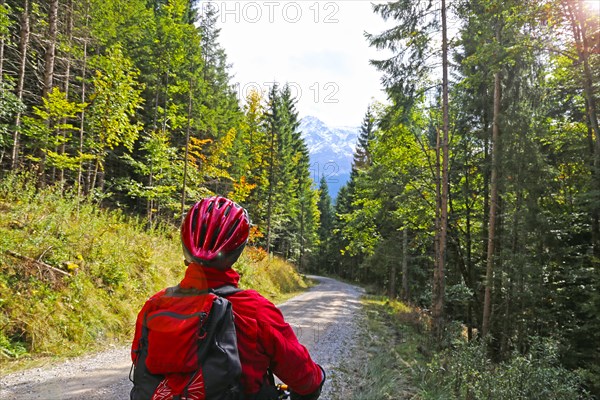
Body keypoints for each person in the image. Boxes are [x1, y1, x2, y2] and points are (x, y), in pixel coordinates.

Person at [131, 196, 325, 400]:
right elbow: (304, 379)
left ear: (184, 245)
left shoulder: (155, 305)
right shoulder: (256, 310)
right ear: (237, 251)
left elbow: (138, 358)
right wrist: (319, 376)